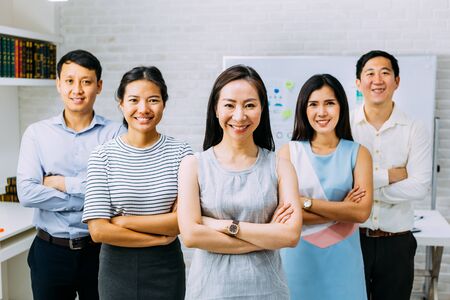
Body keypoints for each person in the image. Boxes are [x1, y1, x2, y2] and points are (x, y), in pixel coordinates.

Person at [177, 65, 302, 300]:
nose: (239, 115)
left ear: (262, 109)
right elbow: (192, 236)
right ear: (215, 108)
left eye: (250, 105)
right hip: (209, 292)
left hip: (268, 292)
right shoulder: (192, 165)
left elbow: (290, 236)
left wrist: (221, 225)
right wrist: (267, 235)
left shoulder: (281, 166)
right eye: (229, 104)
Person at [17, 49, 124, 300]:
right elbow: (27, 193)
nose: (77, 90)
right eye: (69, 81)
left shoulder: (115, 134)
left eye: (86, 82)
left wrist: (62, 183)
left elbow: (118, 192)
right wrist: (90, 197)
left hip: (99, 252)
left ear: (98, 86)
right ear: (58, 84)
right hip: (50, 251)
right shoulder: (37, 134)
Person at [82, 66, 192, 300]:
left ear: (164, 103)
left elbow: (180, 222)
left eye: (153, 100)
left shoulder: (181, 153)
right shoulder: (103, 156)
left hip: (166, 268)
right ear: (121, 103)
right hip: (116, 270)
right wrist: (158, 238)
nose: (143, 109)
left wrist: (122, 221)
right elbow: (99, 230)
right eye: (134, 100)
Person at [279, 74, 373, 300]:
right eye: (313, 104)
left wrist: (306, 203)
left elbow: (361, 212)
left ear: (341, 106)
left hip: (344, 262)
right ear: (304, 109)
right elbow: (285, 215)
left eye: (329, 103)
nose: (322, 112)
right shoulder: (288, 153)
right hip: (297, 258)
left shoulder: (358, 153)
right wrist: (343, 209)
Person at [351, 50, 432, 300]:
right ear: (358, 82)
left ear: (397, 81)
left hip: (397, 242)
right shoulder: (345, 126)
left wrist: (363, 188)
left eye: (385, 73)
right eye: (370, 73)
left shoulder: (415, 128)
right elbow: (339, 183)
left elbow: (419, 187)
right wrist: (391, 176)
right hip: (352, 241)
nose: (378, 80)